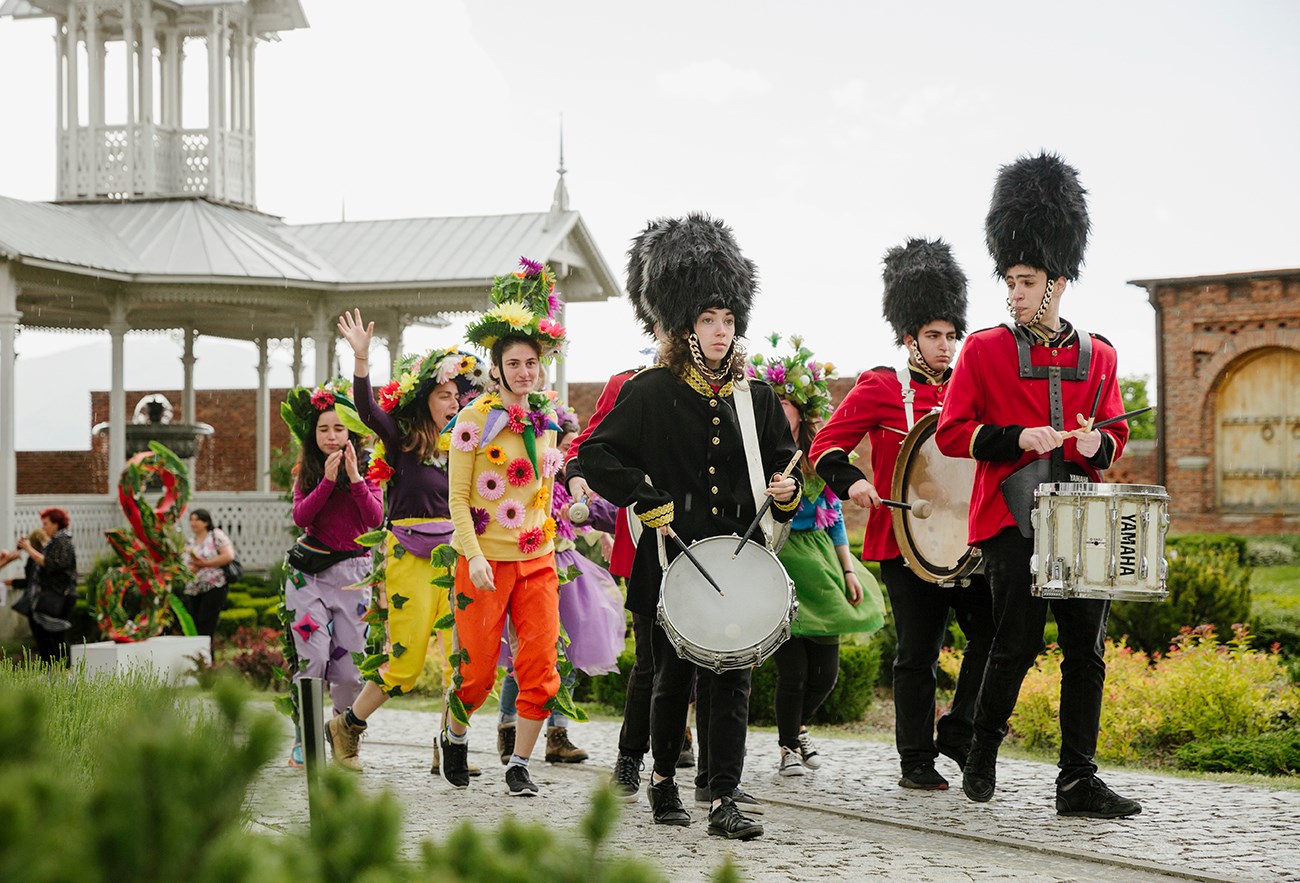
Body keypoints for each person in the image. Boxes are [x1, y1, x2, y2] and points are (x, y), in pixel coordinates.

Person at [580, 214, 800, 841]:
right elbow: (595, 455)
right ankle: (662, 783)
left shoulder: (757, 399)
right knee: (671, 679)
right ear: (685, 326)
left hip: (736, 560)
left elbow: (786, 463)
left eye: (728, 319)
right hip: (670, 559)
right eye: (708, 319)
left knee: (733, 681)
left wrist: (786, 493)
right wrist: (643, 496)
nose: (721, 330)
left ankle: (724, 797)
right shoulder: (651, 391)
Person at [935, 152, 1140, 818]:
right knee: (1015, 644)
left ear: (1058, 281)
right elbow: (951, 433)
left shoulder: (1101, 354)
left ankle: (1077, 781)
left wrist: (1096, 443)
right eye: (1010, 282)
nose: (1014, 293)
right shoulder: (983, 348)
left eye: (1026, 282)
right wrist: (1018, 437)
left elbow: (1116, 437)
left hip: (1083, 520)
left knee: (1087, 650)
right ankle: (981, 747)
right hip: (1009, 517)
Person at [811, 237, 995, 791]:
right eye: (934, 335)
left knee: (993, 635)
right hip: (904, 541)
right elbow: (826, 447)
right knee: (918, 653)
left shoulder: (973, 388)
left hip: (969, 540)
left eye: (952, 336)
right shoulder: (881, 385)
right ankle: (915, 760)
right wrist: (855, 482)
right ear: (909, 336)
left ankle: (958, 729)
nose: (946, 346)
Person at [333, 309, 486, 773]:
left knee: (461, 659)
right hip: (407, 556)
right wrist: (362, 359)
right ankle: (347, 726)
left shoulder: (468, 443)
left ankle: (449, 746)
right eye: (444, 395)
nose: (453, 403)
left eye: (458, 396)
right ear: (427, 400)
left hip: (454, 555)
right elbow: (366, 412)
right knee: (405, 666)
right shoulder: (401, 439)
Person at [439, 257, 568, 797]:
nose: (523, 372)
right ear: (496, 368)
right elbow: (458, 498)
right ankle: (454, 734)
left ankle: (519, 763)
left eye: (531, 363)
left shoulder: (546, 417)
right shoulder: (473, 420)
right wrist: (472, 556)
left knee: (540, 668)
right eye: (513, 363)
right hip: (484, 562)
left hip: (537, 558)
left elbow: (547, 485)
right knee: (477, 674)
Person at [750, 335, 886, 777]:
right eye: (773, 403)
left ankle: (799, 728)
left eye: (786, 404)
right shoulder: (755, 458)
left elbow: (836, 518)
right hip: (780, 563)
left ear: (801, 413)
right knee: (793, 671)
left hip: (821, 564)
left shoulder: (817, 460)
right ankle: (789, 746)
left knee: (826, 673)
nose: (779, 411)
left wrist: (849, 571)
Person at [497, 405, 625, 765]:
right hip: (535, 564)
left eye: (572, 448)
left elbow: (581, 516)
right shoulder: (534, 478)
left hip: (568, 568)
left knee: (566, 655)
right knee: (525, 654)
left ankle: (558, 735)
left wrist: (601, 533)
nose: (569, 455)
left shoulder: (574, 484)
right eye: (564, 446)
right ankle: (508, 728)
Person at [281, 382, 384, 768]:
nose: (331, 436)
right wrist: (325, 482)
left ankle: (344, 739)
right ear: (313, 435)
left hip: (354, 575)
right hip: (309, 578)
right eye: (323, 429)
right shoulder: (307, 471)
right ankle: (305, 738)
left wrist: (355, 479)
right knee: (312, 660)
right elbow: (301, 517)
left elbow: (375, 518)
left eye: (339, 428)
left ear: (351, 432)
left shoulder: (371, 470)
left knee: (349, 669)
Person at [15, 508, 77, 662]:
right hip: (51, 595)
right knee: (45, 635)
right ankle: (52, 668)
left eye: (46, 524)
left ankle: (64, 668)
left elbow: (51, 564)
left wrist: (29, 549)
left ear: (56, 524)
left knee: (56, 635)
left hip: (58, 596)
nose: (43, 528)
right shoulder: (55, 542)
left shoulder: (63, 542)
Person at [182, 509, 237, 638]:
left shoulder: (215, 535)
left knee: (206, 623)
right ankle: (197, 650)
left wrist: (204, 564)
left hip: (214, 586)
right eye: (191, 520)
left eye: (197, 520)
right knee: (194, 624)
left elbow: (228, 556)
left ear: (206, 522)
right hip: (194, 589)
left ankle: (206, 650)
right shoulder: (190, 542)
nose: (193, 523)